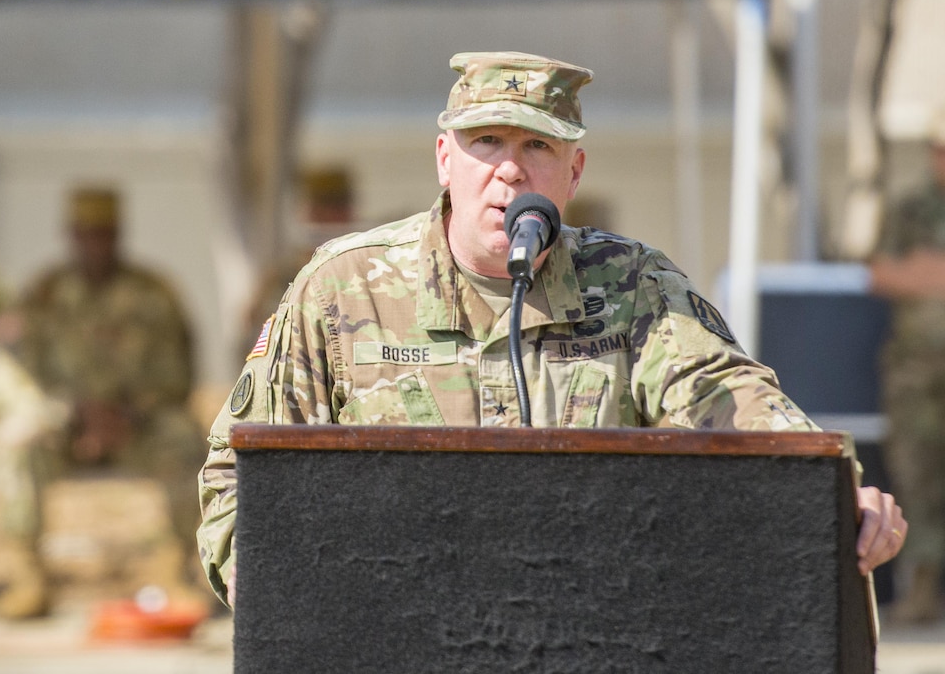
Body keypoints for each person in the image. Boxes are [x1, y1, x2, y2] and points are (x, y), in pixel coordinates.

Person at [198, 51, 908, 609]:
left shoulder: (632, 286)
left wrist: (832, 489)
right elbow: (239, 475)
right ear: (445, 159)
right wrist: (300, 612)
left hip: (585, 626)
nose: (510, 168)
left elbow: (733, 400)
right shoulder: (341, 288)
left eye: (538, 145)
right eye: (487, 141)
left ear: (573, 170)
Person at [0, 186, 204, 620]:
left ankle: (180, 574)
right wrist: (72, 412)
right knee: (15, 440)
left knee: (184, 437)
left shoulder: (154, 294)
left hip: (136, 427)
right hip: (64, 427)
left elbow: (179, 371)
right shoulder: (42, 294)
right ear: (70, 235)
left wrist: (127, 414)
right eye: (86, 233)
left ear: (118, 235)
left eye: (103, 233)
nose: (95, 243)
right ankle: (27, 580)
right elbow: (5, 374)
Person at [869, 111, 945, 623]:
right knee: (917, 479)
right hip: (917, 372)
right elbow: (879, 272)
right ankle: (920, 592)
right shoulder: (910, 207)